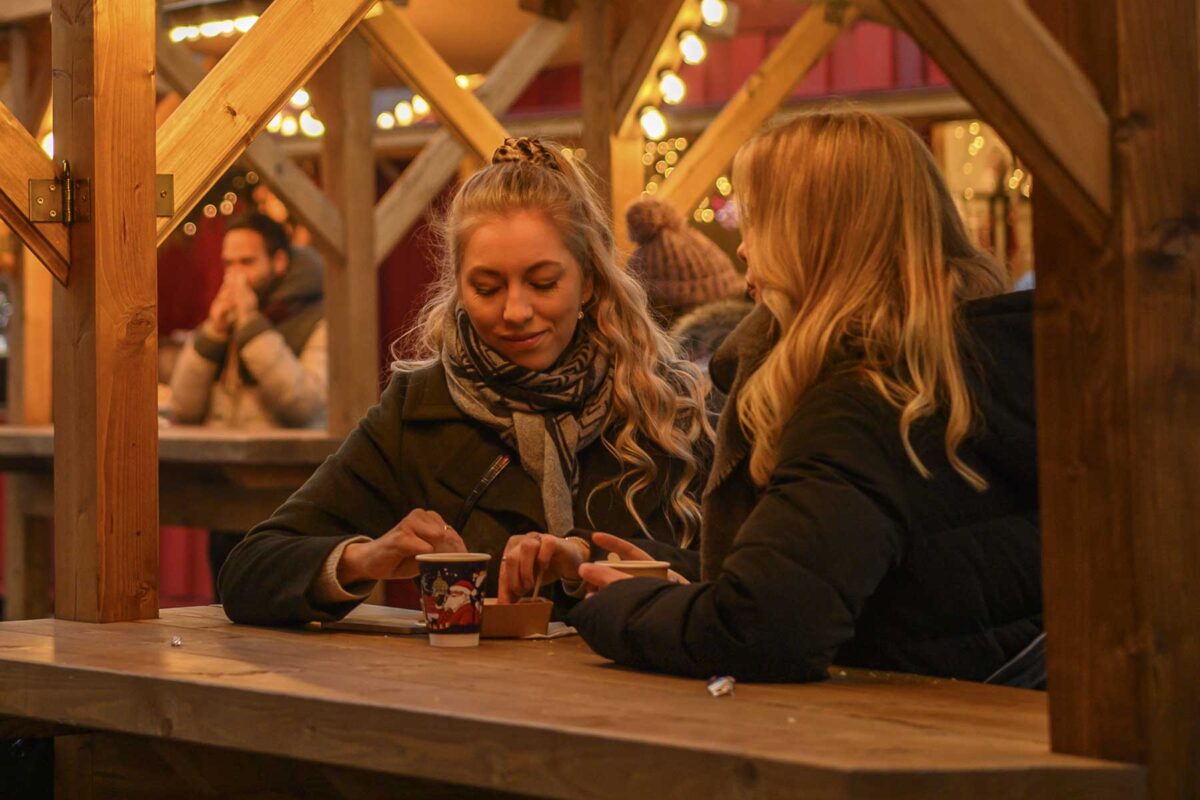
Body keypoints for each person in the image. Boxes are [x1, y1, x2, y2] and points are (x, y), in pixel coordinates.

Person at [570, 110, 1042, 686]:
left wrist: (615, 608)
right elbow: (872, 580)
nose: (742, 248)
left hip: (911, 748)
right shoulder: (968, 365)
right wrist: (670, 581)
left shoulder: (864, 404)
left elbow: (762, 629)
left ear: (815, 239)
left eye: (759, 220)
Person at [218, 137, 711, 626]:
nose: (516, 311)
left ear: (588, 281)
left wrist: (582, 561)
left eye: (543, 283)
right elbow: (250, 570)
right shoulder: (420, 409)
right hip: (470, 700)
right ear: (458, 289)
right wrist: (364, 558)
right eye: (487, 288)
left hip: (644, 701)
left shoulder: (673, 404)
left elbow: (748, 588)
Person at [168, 213, 328, 597]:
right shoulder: (227, 319)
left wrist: (252, 327)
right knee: (224, 606)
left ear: (279, 262)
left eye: (247, 262)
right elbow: (183, 407)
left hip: (287, 497)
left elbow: (303, 402)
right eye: (228, 263)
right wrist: (213, 335)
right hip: (226, 491)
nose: (234, 275)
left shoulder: (317, 316)